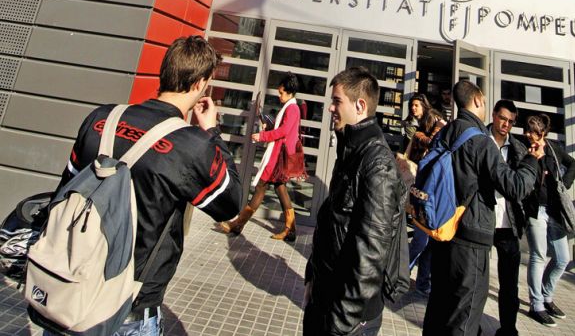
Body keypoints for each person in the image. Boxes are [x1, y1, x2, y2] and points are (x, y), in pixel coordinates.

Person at [46, 36, 242, 335]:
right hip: (130, 304)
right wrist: (213, 131)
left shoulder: (101, 118)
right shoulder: (192, 145)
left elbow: (63, 191)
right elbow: (230, 204)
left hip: (69, 288)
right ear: (201, 84)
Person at [422, 80, 543, 336]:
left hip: (444, 232)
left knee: (438, 308)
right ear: (477, 100)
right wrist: (532, 160)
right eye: (485, 101)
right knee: (464, 318)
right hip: (471, 242)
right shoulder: (481, 141)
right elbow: (515, 187)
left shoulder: (445, 132)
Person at [303, 67, 403, 336]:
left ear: (360, 106)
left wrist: (342, 321)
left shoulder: (377, 163)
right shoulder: (349, 147)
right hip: (324, 299)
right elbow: (333, 219)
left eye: (337, 101)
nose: (330, 109)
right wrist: (312, 275)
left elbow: (372, 250)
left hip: (348, 319)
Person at [219, 72, 302, 241]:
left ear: (290, 92)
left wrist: (262, 136)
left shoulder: (292, 108)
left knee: (260, 188)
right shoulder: (291, 107)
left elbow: (284, 132)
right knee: (280, 190)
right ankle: (290, 230)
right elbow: (282, 129)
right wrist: (269, 125)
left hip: (277, 157)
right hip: (278, 156)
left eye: (281, 93)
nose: (279, 96)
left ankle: (238, 225)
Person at [523, 113, 575, 328]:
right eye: (528, 131)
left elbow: (572, 164)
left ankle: (546, 296)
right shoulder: (525, 150)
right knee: (538, 256)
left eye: (533, 132)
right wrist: (530, 158)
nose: (529, 135)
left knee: (562, 258)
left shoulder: (554, 148)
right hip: (535, 211)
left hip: (554, 211)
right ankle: (536, 305)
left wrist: (565, 183)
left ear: (542, 133)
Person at [487, 100, 528, 336]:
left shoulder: (517, 148)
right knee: (477, 279)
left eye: (511, 121)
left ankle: (508, 329)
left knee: (509, 283)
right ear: (494, 115)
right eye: (503, 118)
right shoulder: (480, 140)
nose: (506, 124)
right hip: (482, 219)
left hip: (508, 222)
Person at [405, 93, 446, 297]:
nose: (413, 109)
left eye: (416, 105)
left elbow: (431, 142)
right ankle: (414, 280)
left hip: (432, 189)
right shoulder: (419, 123)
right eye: (411, 105)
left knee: (424, 240)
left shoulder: (434, 120)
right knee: (424, 239)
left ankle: (410, 278)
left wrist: (417, 136)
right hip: (425, 188)